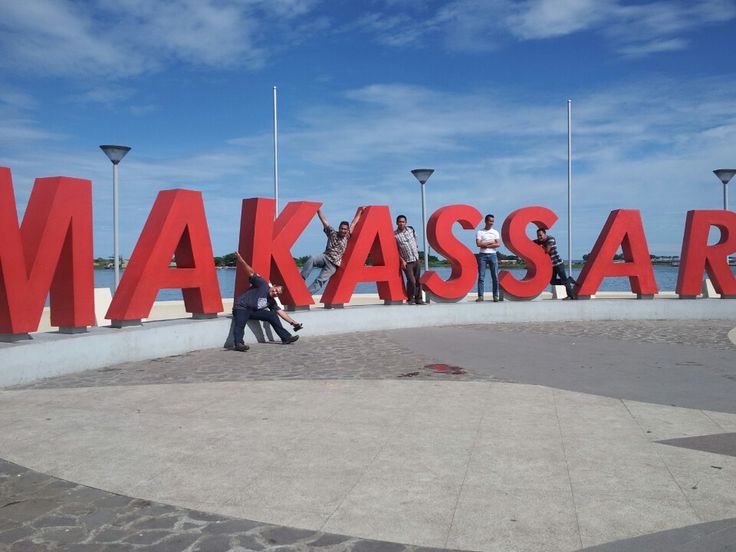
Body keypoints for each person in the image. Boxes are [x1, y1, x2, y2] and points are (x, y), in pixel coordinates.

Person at [231, 251, 300, 351]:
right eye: (276, 290)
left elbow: (280, 312)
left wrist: (293, 323)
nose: (275, 292)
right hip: (241, 307)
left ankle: (286, 338)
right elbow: (251, 273)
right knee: (240, 324)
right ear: (274, 286)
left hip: (253, 311)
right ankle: (239, 344)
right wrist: (241, 260)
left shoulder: (271, 301)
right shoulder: (262, 284)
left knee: (272, 315)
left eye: (278, 293)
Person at [301, 207, 363, 295]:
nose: (343, 230)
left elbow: (353, 223)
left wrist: (360, 212)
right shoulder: (332, 233)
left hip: (333, 264)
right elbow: (324, 221)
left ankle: (305, 295)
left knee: (319, 281)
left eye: (345, 229)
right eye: (341, 228)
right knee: (312, 259)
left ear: (347, 230)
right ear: (339, 228)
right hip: (325, 257)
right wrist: (318, 210)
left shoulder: (347, 236)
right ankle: (302, 278)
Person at [534, 227, 576, 300]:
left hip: (558, 264)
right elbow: (529, 243)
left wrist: (541, 246)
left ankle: (570, 296)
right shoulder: (539, 241)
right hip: (551, 266)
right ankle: (569, 280)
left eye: (540, 235)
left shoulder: (551, 239)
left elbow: (547, 250)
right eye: (538, 236)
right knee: (552, 281)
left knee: (564, 280)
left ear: (545, 234)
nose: (539, 237)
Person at [394, 215, 425, 304]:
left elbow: (415, 238)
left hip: (416, 259)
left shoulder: (411, 230)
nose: (401, 223)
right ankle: (410, 298)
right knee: (411, 281)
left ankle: (418, 299)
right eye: (400, 222)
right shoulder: (395, 235)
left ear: (406, 222)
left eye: (403, 222)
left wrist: (416, 246)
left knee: (418, 281)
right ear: (397, 223)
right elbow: (396, 250)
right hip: (407, 261)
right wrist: (402, 260)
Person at [476, 214, 501, 302]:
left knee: (495, 276)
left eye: (493, 221)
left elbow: (498, 244)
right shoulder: (480, 232)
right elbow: (478, 244)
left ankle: (495, 296)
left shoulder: (495, 232)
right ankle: (480, 296)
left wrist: (485, 244)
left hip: (493, 255)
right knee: (481, 277)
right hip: (482, 255)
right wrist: (491, 242)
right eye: (490, 221)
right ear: (486, 221)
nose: (491, 223)